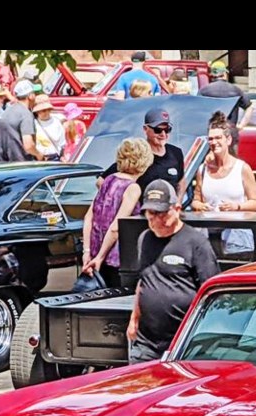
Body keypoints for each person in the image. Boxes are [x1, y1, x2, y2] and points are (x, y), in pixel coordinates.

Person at [126, 179, 219, 362]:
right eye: (150, 214)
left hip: (183, 343)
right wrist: (134, 318)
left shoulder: (196, 243)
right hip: (146, 343)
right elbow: (143, 281)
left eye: (161, 213)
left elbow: (211, 292)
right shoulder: (144, 239)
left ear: (176, 209)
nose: (155, 220)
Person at [81, 138, 154, 287]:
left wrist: (87, 252)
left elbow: (89, 217)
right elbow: (116, 227)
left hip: (95, 254)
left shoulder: (108, 180)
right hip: (116, 260)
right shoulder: (132, 188)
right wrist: (100, 258)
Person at [99, 108, 186, 200]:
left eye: (167, 129)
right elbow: (102, 181)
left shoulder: (176, 152)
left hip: (169, 211)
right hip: (142, 212)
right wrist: (122, 203)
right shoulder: (137, 153)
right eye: (158, 130)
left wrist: (178, 203)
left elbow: (181, 181)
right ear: (145, 129)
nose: (163, 134)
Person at [192, 112, 256, 213]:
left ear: (228, 140)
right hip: (209, 226)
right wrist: (201, 206)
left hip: (236, 227)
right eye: (210, 139)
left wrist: (237, 207)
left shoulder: (242, 168)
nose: (214, 142)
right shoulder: (203, 170)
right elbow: (196, 201)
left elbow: (255, 203)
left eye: (218, 138)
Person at [199, 60, 253, 153]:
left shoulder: (204, 91)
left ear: (212, 74)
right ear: (224, 74)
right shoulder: (236, 90)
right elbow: (250, 107)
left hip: (212, 134)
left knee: (212, 164)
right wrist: (241, 125)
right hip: (230, 134)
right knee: (231, 163)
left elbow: (196, 110)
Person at [1, 79, 39, 160]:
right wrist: (40, 156)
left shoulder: (7, 111)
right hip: (21, 163)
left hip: (5, 161)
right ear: (30, 96)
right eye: (35, 93)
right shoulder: (26, 114)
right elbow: (28, 146)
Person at [32, 96, 65, 161]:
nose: (47, 112)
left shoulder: (56, 121)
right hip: (41, 159)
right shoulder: (34, 124)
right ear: (37, 112)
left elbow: (62, 142)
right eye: (43, 111)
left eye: (48, 110)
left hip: (56, 157)